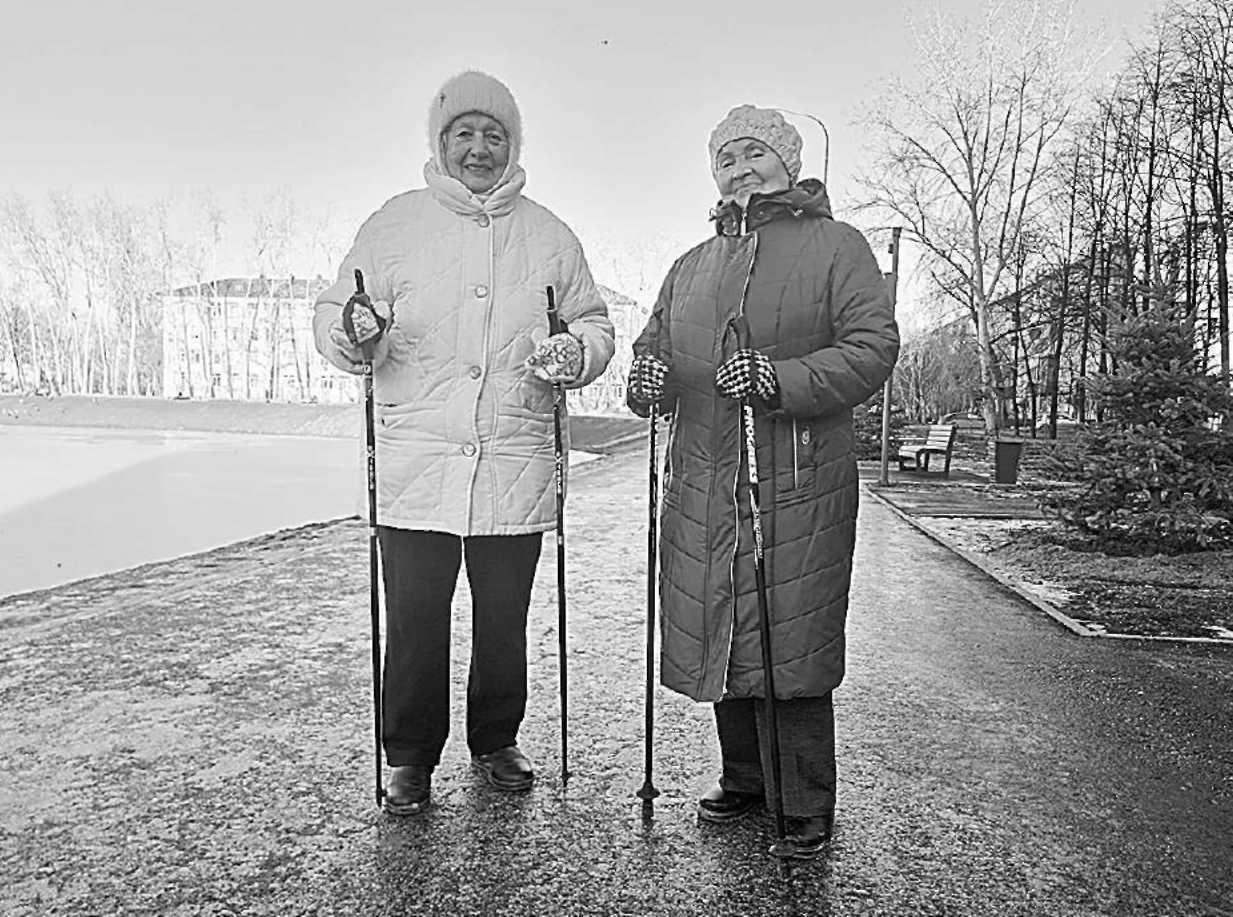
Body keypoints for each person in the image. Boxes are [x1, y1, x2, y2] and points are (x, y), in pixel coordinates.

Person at [314, 70, 614, 815]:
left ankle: (496, 739)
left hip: (513, 456)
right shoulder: (394, 224)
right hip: (416, 462)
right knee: (415, 621)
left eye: (494, 136)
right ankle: (410, 757)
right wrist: (351, 332)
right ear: (440, 142)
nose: (479, 149)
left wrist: (578, 352)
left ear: (513, 146)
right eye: (464, 134)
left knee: (503, 618)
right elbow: (336, 310)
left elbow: (593, 323)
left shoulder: (550, 234)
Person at [626, 105, 899, 859]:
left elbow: (873, 346)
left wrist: (781, 378)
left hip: (797, 476)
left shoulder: (836, 246)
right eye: (726, 158)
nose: (740, 169)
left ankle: (803, 802)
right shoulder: (690, 264)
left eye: (755, 154)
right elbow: (656, 349)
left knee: (791, 636)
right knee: (722, 620)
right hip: (705, 478)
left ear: (788, 163)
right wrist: (647, 380)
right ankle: (744, 778)